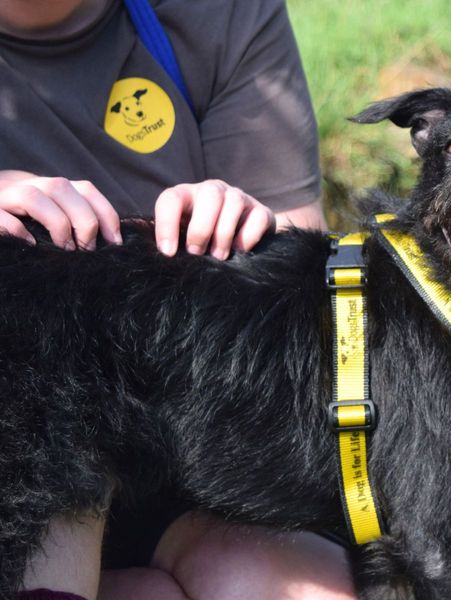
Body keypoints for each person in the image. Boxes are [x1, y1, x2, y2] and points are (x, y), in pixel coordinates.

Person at [0, 1, 355, 599]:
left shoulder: (221, 13)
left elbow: (315, 332)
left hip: (183, 448)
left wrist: (257, 240)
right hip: (27, 451)